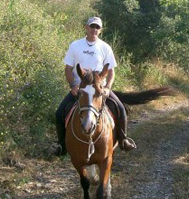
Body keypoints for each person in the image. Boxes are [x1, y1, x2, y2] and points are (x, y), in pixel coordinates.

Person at [51, 16, 137, 156]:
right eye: (92, 26)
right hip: (81, 88)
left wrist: (108, 87)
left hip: (98, 89)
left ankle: (123, 140)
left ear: (100, 30)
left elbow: (111, 71)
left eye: (97, 27)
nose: (94, 29)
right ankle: (61, 144)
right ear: (86, 27)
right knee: (60, 112)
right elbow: (68, 68)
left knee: (120, 108)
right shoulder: (75, 45)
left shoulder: (105, 47)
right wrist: (73, 85)